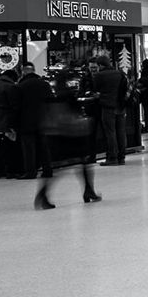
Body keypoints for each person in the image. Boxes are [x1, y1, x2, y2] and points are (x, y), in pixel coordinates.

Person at [33, 75, 102, 209]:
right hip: (72, 135)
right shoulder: (69, 96)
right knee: (84, 163)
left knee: (58, 168)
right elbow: (77, 112)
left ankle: (43, 194)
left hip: (56, 135)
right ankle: (88, 191)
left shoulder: (51, 97)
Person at [13, 63, 53, 179]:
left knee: (28, 148)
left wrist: (14, 122)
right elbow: (51, 101)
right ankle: (47, 170)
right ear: (34, 71)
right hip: (43, 120)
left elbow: (16, 106)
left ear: (23, 72)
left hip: (26, 121)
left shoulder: (20, 86)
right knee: (44, 147)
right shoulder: (44, 84)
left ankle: (30, 171)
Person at [89, 56, 130, 165]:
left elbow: (96, 89)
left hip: (108, 106)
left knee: (110, 133)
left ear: (100, 65)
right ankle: (122, 157)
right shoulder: (120, 73)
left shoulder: (99, 75)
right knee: (121, 132)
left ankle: (112, 157)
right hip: (120, 106)